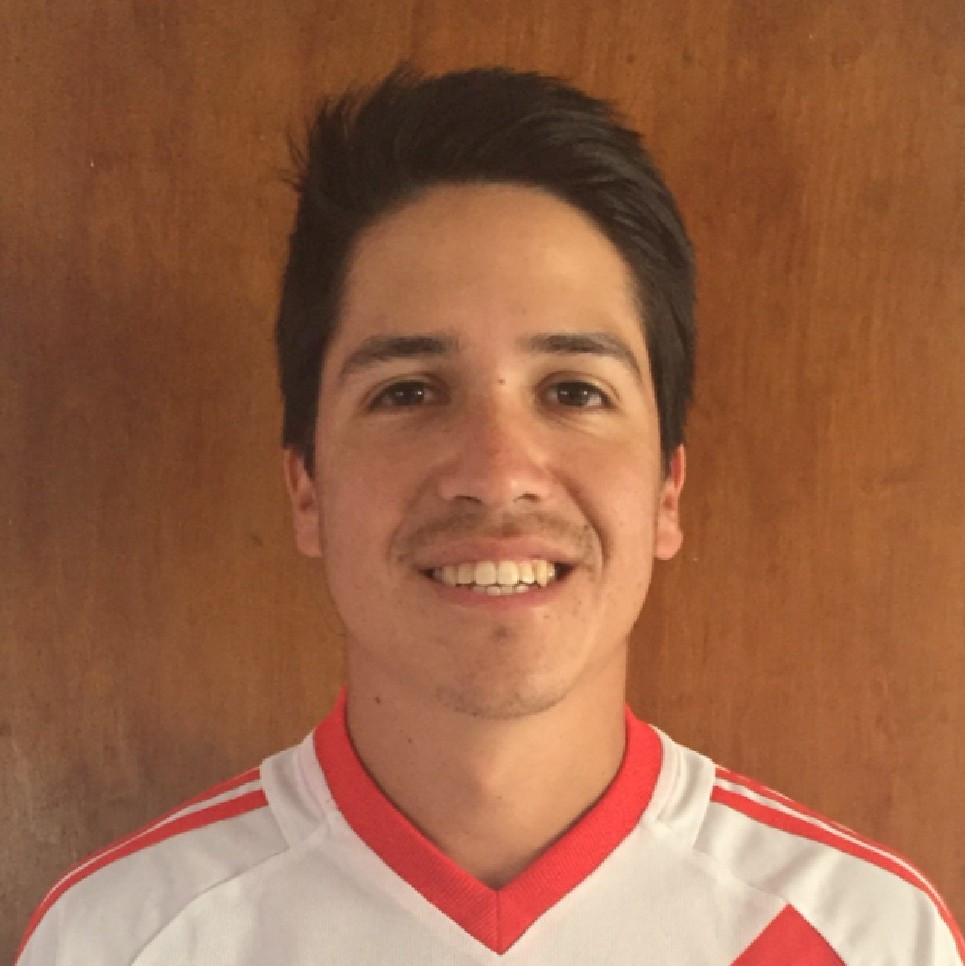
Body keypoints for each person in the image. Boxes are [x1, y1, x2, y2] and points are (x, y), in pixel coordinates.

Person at [17, 65, 964, 965]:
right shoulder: (126, 940)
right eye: (408, 391)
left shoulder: (866, 939)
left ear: (666, 489)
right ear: (305, 488)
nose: (497, 472)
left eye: (573, 391)